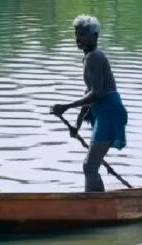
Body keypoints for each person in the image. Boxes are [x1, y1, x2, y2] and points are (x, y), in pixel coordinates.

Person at [50, 14, 128, 192]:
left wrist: (66, 106)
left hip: (109, 113)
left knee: (89, 166)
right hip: (104, 112)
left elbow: (97, 93)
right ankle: (98, 203)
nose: (79, 38)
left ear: (95, 36)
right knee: (91, 166)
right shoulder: (89, 57)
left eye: (84, 34)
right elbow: (89, 94)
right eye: (77, 33)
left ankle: (96, 207)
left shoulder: (94, 57)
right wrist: (77, 124)